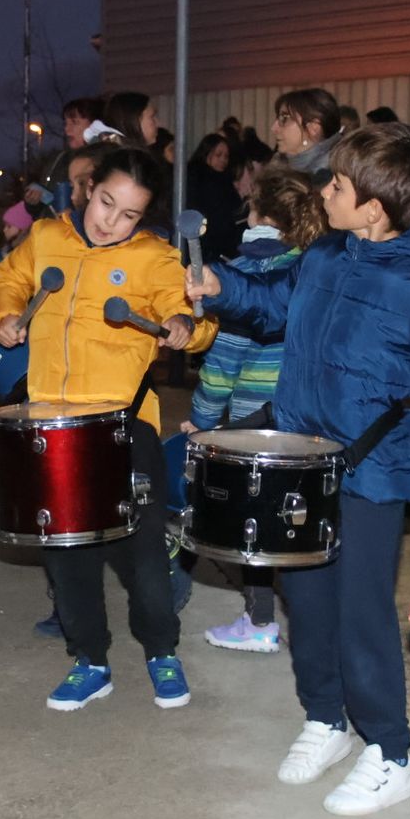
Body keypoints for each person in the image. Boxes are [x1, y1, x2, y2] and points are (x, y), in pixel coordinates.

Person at [186, 123, 410, 816]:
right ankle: (325, 719)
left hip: (371, 475)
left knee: (361, 616)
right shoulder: (325, 254)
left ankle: (390, 751)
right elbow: (273, 306)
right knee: (309, 606)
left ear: (376, 208)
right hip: (301, 465)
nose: (323, 192)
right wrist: (218, 285)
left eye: (338, 185)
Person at [0, 147, 215, 711]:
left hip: (121, 423)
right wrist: (7, 316)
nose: (111, 220)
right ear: (88, 188)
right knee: (68, 553)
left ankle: (162, 650)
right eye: (106, 202)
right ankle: (90, 660)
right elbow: (7, 281)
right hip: (52, 422)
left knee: (142, 550)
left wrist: (187, 324)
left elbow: (190, 312)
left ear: (144, 219)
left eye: (129, 214)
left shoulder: (156, 258)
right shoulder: (45, 238)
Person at [180, 166, 324, 653]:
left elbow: (223, 362)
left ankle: (259, 622)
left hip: (251, 418)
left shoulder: (242, 275)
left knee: (253, 518)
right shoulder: (309, 267)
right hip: (302, 413)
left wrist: (201, 420)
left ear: (256, 214)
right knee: (299, 511)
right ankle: (312, 618)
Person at [185, 133, 246, 261]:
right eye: (218, 155)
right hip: (203, 246)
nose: (223, 160)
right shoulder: (195, 178)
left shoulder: (224, 181)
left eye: (226, 156)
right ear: (206, 153)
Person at [271, 88, 341, 175]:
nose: (274, 128)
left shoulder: (334, 176)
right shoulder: (277, 166)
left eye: (284, 118)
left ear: (314, 128)